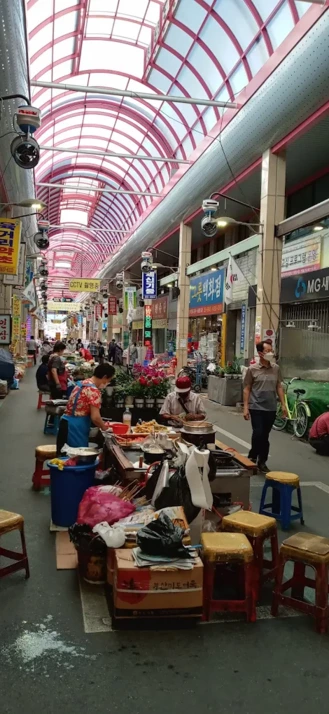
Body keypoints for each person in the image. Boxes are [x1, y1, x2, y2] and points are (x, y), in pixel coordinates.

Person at [243, 340, 286, 473]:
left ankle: (262, 461)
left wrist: (283, 405)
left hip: (271, 407)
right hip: (256, 406)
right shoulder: (252, 369)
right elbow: (247, 388)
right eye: (268, 351)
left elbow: (279, 386)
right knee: (258, 433)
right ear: (260, 353)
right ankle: (252, 456)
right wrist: (245, 407)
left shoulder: (276, 368)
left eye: (271, 350)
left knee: (265, 436)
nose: (271, 353)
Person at [56, 363, 115, 454]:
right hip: (76, 427)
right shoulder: (93, 391)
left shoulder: (82, 383)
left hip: (66, 422)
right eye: (108, 380)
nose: (107, 383)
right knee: (76, 459)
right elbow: (95, 417)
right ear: (104, 377)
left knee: (65, 457)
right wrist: (105, 429)